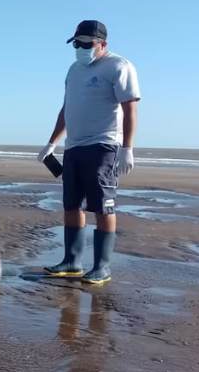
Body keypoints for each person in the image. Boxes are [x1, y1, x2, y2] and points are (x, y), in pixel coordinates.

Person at [38, 19, 141, 285]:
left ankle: (101, 267)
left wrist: (127, 148)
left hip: (103, 145)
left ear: (102, 44)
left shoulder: (119, 66)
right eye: (77, 43)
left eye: (87, 44)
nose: (81, 48)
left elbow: (130, 108)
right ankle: (71, 262)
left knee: (102, 207)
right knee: (71, 204)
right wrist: (52, 143)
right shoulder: (74, 70)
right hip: (74, 146)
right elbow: (66, 108)